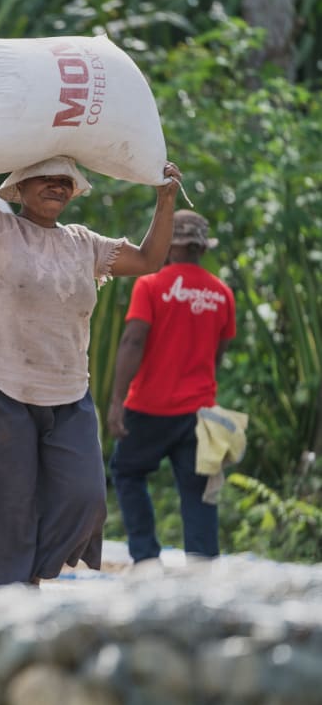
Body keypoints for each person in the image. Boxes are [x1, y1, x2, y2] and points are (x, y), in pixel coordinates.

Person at [0, 107, 182, 589]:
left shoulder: (85, 244)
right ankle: (13, 595)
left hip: (68, 392)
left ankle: (24, 574)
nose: (57, 186)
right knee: (9, 501)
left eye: (65, 181)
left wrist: (165, 198)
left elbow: (151, 259)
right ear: (20, 187)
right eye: (46, 178)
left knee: (85, 498)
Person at [108, 210, 236, 564]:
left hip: (149, 407)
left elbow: (133, 340)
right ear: (202, 248)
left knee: (127, 471)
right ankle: (202, 567)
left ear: (169, 246)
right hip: (199, 412)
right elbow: (217, 354)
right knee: (199, 490)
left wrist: (117, 401)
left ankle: (146, 559)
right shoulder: (222, 293)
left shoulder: (151, 285)